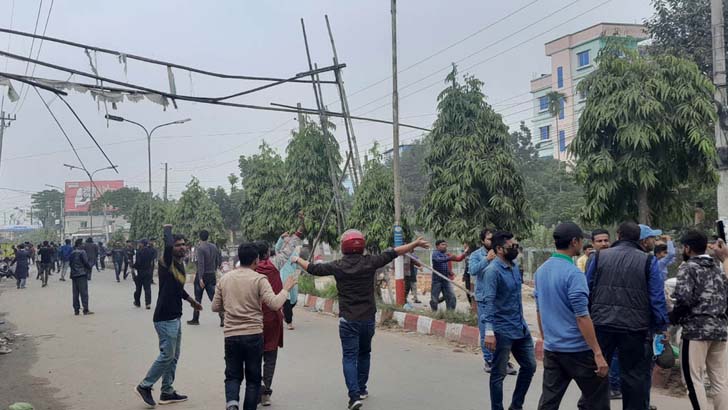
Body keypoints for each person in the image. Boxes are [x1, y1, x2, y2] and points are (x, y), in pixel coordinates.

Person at [292, 230, 430, 410]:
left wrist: (297, 259)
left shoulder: (338, 265)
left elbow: (313, 269)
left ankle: (354, 396)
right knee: (364, 354)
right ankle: (362, 389)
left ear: (344, 247)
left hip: (348, 320)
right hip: (368, 319)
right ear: (362, 245)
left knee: (349, 357)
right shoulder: (370, 262)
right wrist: (414, 244)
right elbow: (395, 252)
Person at [586, 222, 668, 410]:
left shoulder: (598, 257)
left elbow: (587, 290)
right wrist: (661, 327)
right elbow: (656, 297)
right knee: (634, 378)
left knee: (599, 374)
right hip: (635, 328)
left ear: (618, 235)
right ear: (639, 238)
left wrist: (589, 318)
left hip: (602, 325)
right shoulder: (648, 261)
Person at [534, 222, 609, 410]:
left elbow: (539, 310)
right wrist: (597, 353)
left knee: (549, 402)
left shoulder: (541, 271)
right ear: (574, 242)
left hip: (554, 348)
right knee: (598, 398)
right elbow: (582, 316)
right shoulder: (574, 274)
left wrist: (546, 340)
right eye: (581, 240)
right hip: (577, 350)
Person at [135, 225, 202, 408]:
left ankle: (167, 391)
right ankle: (145, 386)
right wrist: (167, 232)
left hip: (175, 316)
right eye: (177, 245)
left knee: (174, 356)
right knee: (167, 355)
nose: (182, 247)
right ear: (171, 247)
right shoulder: (166, 262)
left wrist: (191, 301)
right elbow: (167, 245)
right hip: (164, 318)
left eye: (183, 244)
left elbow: (177, 289)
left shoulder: (179, 265)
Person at [670, 230, 728, 410]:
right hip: (720, 330)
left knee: (693, 380)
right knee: (719, 381)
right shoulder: (718, 268)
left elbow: (684, 299)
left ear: (687, 248)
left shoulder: (688, 268)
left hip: (695, 331)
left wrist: (673, 318)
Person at [483, 231, 537, 410]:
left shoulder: (514, 266)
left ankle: (516, 405)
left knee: (529, 366)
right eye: (511, 246)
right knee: (498, 374)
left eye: (516, 246)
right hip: (501, 329)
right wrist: (489, 331)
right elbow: (488, 301)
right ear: (499, 249)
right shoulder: (492, 271)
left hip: (519, 327)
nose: (515, 249)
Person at [469, 228, 516, 375]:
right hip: (484, 298)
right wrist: (486, 260)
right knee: (486, 331)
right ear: (483, 241)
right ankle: (489, 360)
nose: (491, 241)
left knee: (503, 331)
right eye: (488, 239)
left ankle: (503, 360)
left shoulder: (502, 254)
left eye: (492, 238)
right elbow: (472, 270)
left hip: (501, 299)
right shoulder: (477, 255)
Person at [188, 230, 223, 326]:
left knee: (197, 298)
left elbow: (201, 264)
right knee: (213, 297)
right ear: (208, 237)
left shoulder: (200, 248)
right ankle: (222, 316)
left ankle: (195, 319)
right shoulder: (214, 246)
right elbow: (217, 259)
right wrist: (216, 269)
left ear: (200, 237)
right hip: (211, 274)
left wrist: (200, 278)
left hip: (203, 275)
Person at [430, 240, 468, 311]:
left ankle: (450, 313)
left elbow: (458, 259)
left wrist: (465, 253)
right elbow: (438, 260)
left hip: (446, 279)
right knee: (434, 298)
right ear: (437, 246)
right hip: (437, 280)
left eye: (445, 245)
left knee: (451, 296)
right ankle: (434, 312)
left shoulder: (446, 254)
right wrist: (449, 258)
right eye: (442, 244)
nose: (445, 246)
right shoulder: (435, 254)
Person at [69, 238, 93, 316]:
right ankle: (85, 309)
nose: (83, 245)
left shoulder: (72, 253)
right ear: (79, 245)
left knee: (75, 293)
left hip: (74, 274)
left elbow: (70, 264)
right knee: (84, 293)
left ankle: (76, 310)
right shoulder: (82, 252)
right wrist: (89, 267)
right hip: (81, 274)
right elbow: (86, 262)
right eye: (82, 244)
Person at [133, 239, 156, 309]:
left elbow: (138, 263)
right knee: (147, 288)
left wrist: (133, 267)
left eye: (140, 243)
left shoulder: (139, 252)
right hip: (148, 271)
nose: (139, 244)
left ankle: (137, 302)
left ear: (142, 244)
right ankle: (148, 304)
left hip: (140, 272)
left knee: (138, 288)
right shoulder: (151, 251)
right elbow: (153, 259)